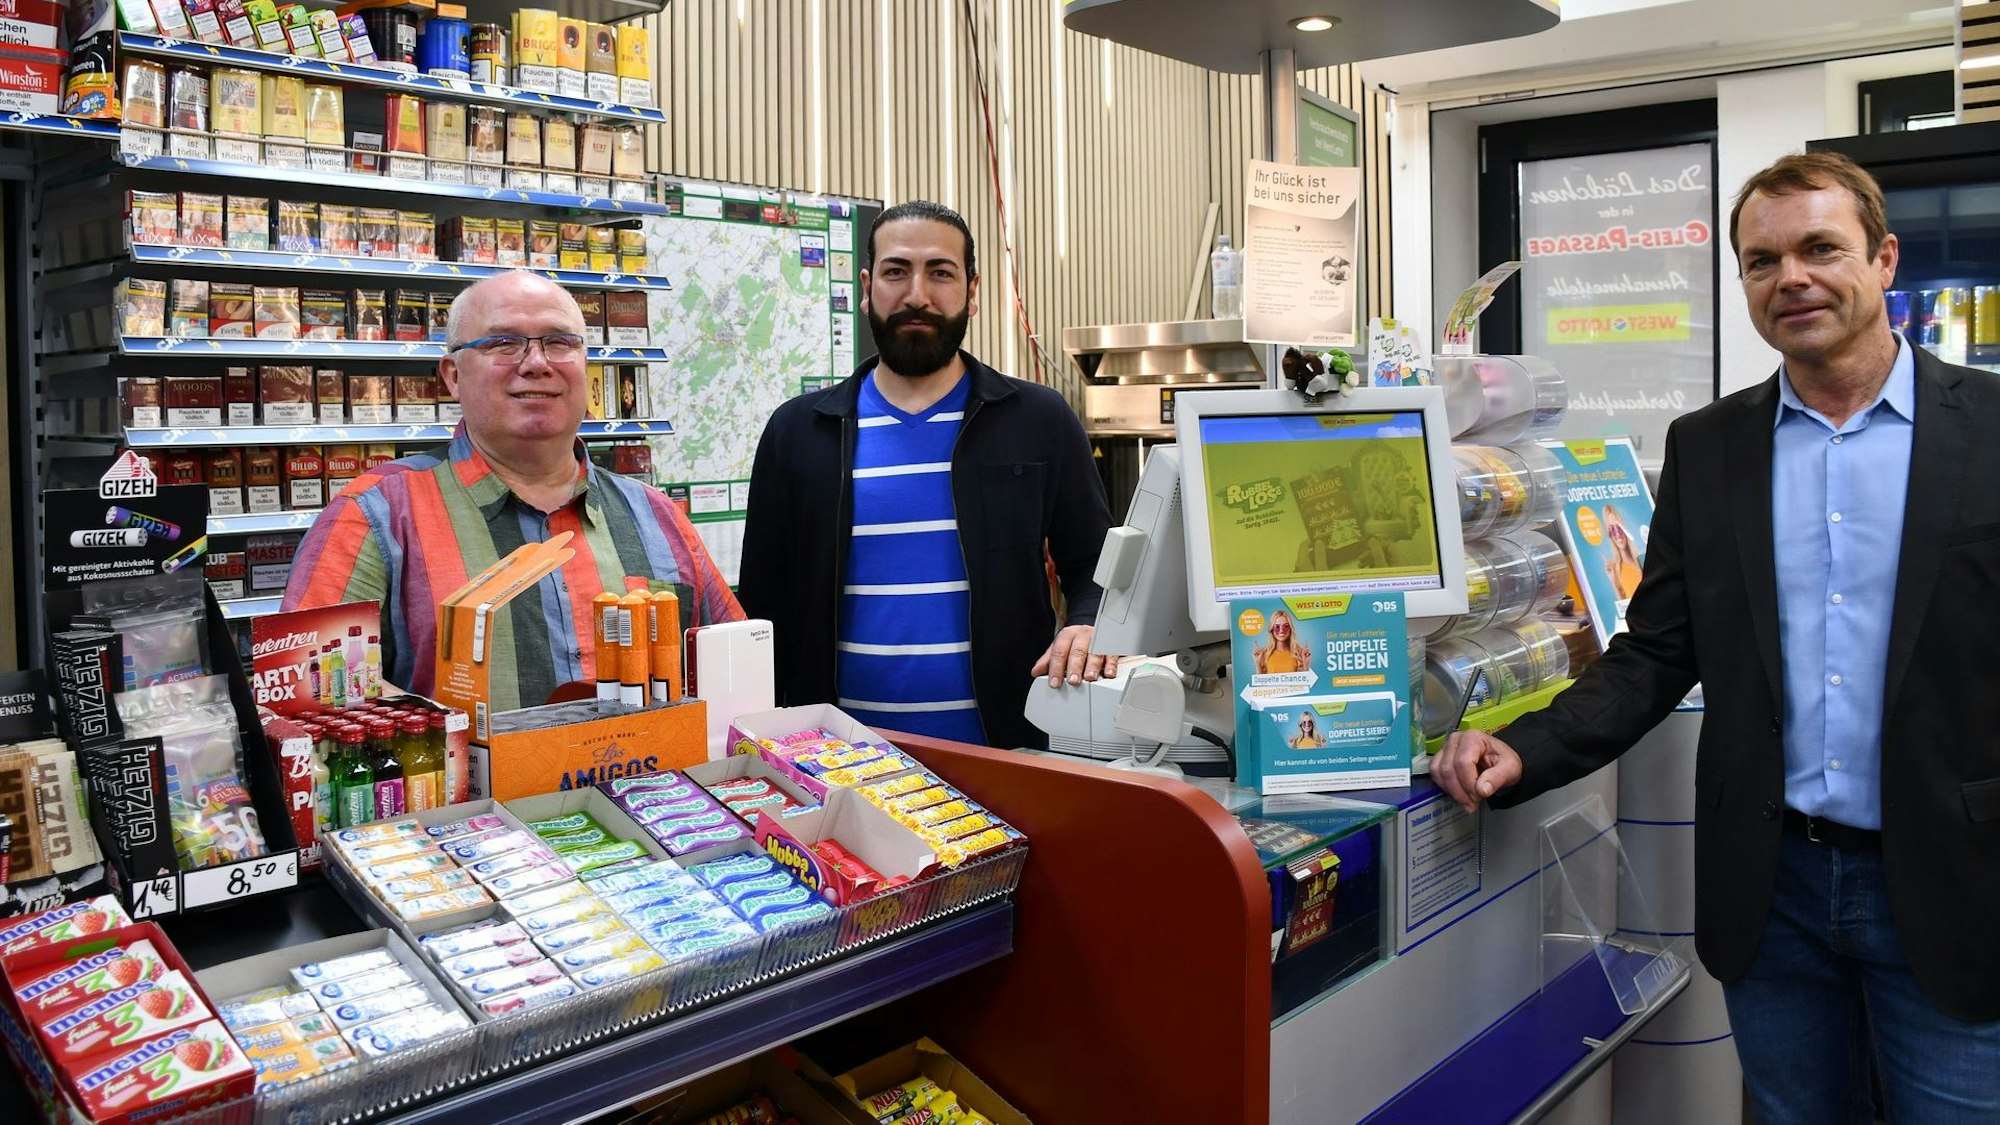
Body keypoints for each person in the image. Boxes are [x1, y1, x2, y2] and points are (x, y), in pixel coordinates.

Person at [1433, 151, 2000, 1122]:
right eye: (1760, 260)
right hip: (1769, 890)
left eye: (1819, 248)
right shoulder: (1707, 447)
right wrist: (1520, 751)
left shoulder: (1987, 428)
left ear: (1883, 259)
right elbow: (1655, 652)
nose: (1791, 278)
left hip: (1954, 886)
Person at [739, 201, 1114, 750]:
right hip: (838, 763)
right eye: (896, 272)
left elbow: (1099, 568)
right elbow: (761, 610)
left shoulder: (1038, 420)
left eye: (940, 272)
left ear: (972, 289)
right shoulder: (800, 432)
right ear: (867, 287)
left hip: (1008, 754)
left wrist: (1088, 622)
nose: (917, 294)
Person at [284, 271, 742, 709]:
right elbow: (309, 690)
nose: (537, 363)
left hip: (655, 792)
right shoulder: (373, 514)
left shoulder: (658, 515)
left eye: (560, 342)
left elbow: (735, 664)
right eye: (503, 343)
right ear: (453, 376)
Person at [1254, 610, 1313, 675]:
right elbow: (1260, 683)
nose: (1281, 630)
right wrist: (1257, 663)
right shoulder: (1264, 654)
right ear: (1271, 629)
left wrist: (1306, 665)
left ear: (1290, 629)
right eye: (1277, 627)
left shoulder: (1300, 653)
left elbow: (1304, 682)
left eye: (1286, 626)